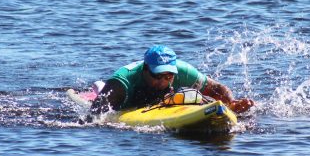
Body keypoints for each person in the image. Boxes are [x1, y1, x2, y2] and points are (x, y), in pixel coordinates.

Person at [90, 45, 255, 114]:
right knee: (104, 94)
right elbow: (94, 116)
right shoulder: (123, 81)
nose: (163, 82)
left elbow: (217, 88)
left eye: (169, 76)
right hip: (126, 100)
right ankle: (98, 87)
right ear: (146, 69)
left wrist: (231, 103)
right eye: (157, 76)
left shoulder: (183, 71)